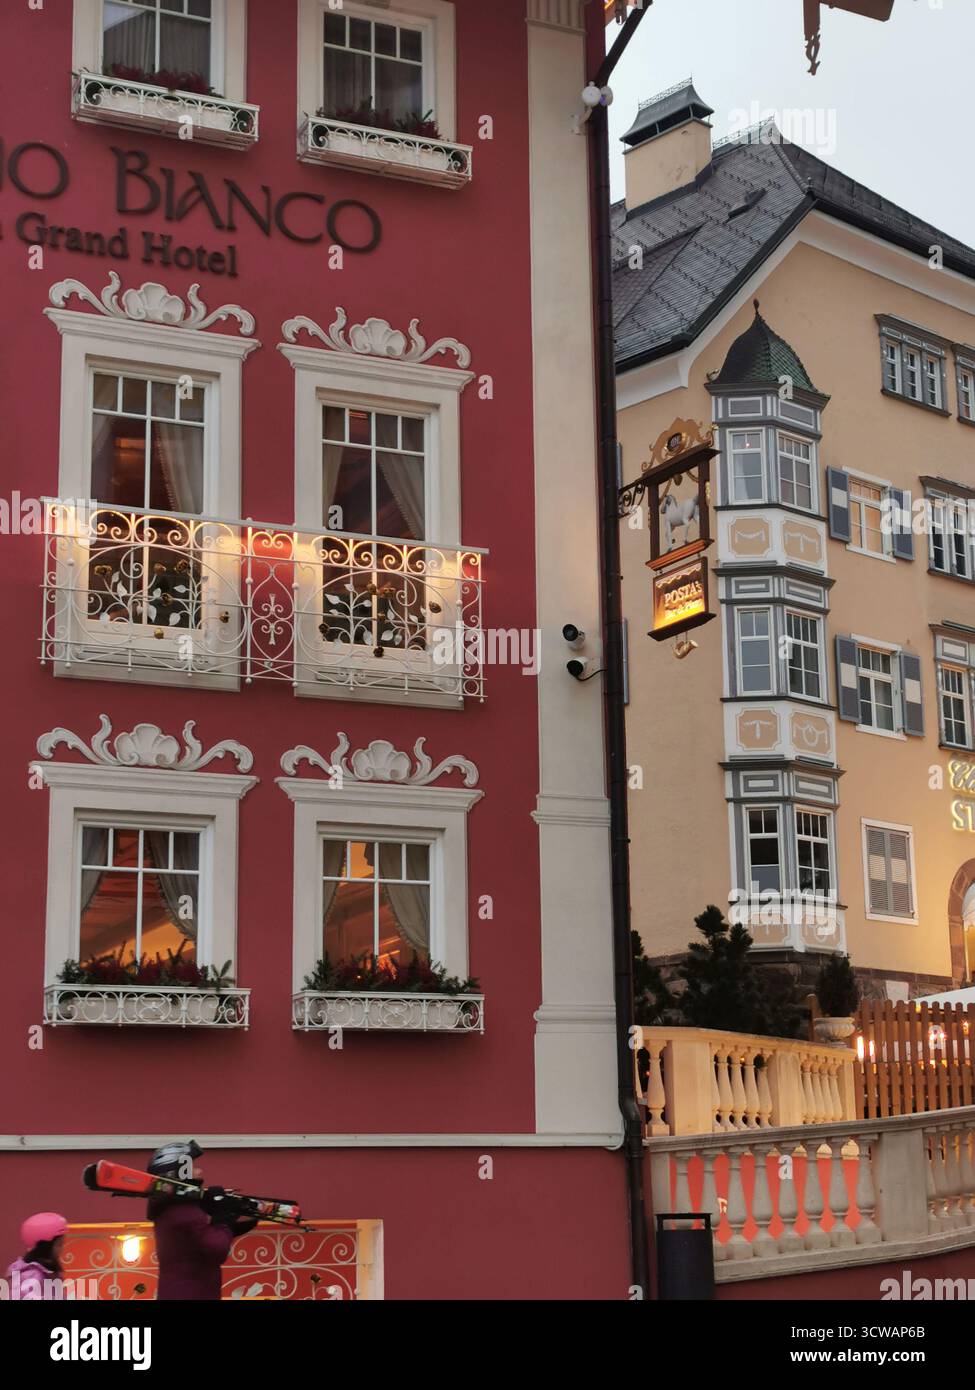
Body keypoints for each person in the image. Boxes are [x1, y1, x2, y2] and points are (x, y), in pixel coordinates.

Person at [148, 1140, 256, 1301]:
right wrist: (224, 1220)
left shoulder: (169, 1207)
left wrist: (228, 1227)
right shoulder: (185, 1210)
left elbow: (195, 1243)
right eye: (193, 1166)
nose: (199, 1171)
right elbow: (216, 1249)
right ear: (179, 1170)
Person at [7, 1212, 69, 1299]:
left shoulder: (47, 1272)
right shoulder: (31, 1278)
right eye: (59, 1245)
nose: (62, 1249)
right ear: (44, 1247)